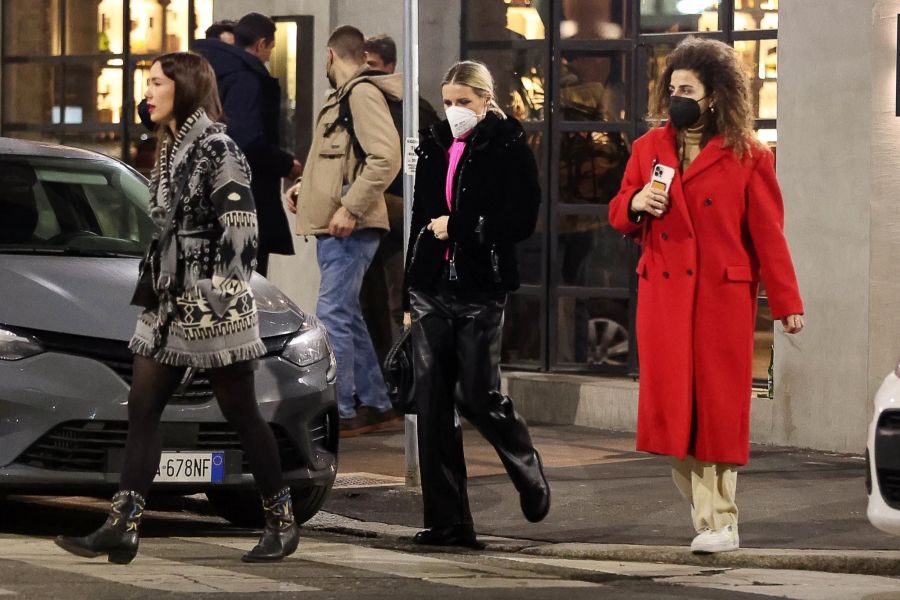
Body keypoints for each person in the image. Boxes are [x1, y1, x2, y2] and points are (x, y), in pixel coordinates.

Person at [54, 52, 299, 565]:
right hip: (167, 297)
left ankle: (281, 520)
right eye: (147, 81)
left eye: (156, 82)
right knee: (142, 409)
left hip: (213, 303)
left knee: (242, 413)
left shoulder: (218, 147)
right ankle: (122, 526)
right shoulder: (169, 146)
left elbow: (243, 229)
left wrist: (219, 294)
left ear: (183, 89)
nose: (147, 91)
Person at [608, 37, 805, 554]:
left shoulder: (748, 154)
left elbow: (768, 234)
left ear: (714, 95)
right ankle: (708, 516)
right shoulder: (647, 150)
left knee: (715, 412)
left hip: (722, 298)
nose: (677, 96)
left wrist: (786, 304)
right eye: (672, 87)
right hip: (665, 298)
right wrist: (636, 203)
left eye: (687, 89)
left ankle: (720, 520)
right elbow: (617, 214)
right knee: (674, 414)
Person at [403, 60, 550, 548]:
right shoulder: (433, 144)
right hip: (430, 288)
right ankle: (449, 522)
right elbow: (422, 219)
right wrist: (408, 288)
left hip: (479, 287)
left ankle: (525, 465)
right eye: (448, 102)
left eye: (463, 102)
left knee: (477, 395)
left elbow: (522, 219)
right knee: (432, 405)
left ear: (487, 100)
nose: (454, 111)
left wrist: (464, 228)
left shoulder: (508, 146)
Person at [284, 26, 401, 437]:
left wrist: (350, 208)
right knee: (347, 314)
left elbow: (386, 158)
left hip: (349, 227)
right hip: (338, 226)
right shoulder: (343, 97)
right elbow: (337, 161)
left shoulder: (360, 94)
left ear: (331, 55)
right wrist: (306, 188)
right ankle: (376, 402)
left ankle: (343, 408)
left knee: (333, 314)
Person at [192, 12, 302, 276]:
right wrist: (287, 165)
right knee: (246, 287)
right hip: (243, 200)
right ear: (261, 44)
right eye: (270, 49)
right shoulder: (247, 78)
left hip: (202, 198)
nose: (268, 56)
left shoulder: (202, 72)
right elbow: (248, 141)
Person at [358, 34, 440, 361]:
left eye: (375, 67)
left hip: (398, 217)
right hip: (368, 218)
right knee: (370, 305)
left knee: (399, 304)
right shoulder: (361, 103)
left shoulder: (414, 108)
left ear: (390, 66)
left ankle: (410, 383)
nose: (369, 75)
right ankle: (386, 383)